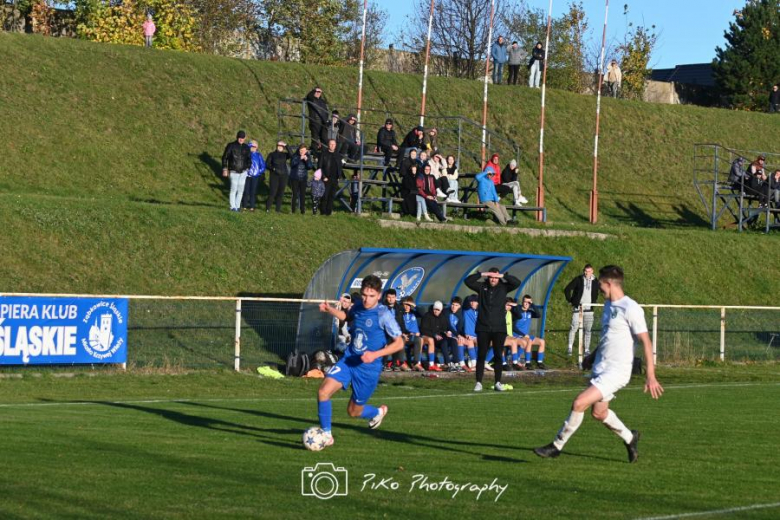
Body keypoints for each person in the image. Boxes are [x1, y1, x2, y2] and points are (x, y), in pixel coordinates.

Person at [534, 265, 664, 463]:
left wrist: (651, 376)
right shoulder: (609, 306)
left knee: (579, 403)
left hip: (616, 372)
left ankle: (556, 446)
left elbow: (646, 341)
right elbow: (607, 337)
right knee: (599, 412)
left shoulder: (630, 308)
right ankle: (631, 438)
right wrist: (592, 355)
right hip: (601, 367)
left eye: (600, 284)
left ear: (609, 283)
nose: (599, 288)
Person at [316, 275, 404, 448]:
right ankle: (326, 435)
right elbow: (347, 316)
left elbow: (400, 343)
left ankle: (378, 412)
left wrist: (375, 354)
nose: (366, 299)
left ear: (379, 295)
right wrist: (329, 310)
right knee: (323, 392)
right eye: (364, 294)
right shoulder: (357, 306)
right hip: (349, 360)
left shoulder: (384, 314)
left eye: (371, 296)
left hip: (368, 369)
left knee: (353, 412)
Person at [465, 268, 521, 392]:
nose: (493, 280)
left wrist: (503, 275)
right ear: (488, 278)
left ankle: (497, 382)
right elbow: (468, 281)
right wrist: (482, 273)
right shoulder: (482, 287)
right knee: (481, 355)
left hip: (499, 328)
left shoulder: (504, 287)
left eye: (495, 278)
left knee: (498, 356)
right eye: (491, 277)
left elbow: (517, 282)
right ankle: (478, 382)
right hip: (483, 327)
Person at [565, 264, 599, 357]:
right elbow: (567, 289)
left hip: (589, 309)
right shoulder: (578, 279)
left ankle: (587, 349)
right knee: (574, 327)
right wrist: (571, 301)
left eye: (588, 271)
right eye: (585, 271)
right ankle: (569, 348)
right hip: (578, 308)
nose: (586, 273)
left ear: (592, 271)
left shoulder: (596, 281)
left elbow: (601, 291)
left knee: (588, 329)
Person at [511, 295, 546, 370]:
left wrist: (532, 304)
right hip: (517, 335)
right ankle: (528, 363)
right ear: (522, 302)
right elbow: (513, 327)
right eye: (525, 302)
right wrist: (523, 335)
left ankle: (539, 362)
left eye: (528, 302)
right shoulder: (518, 311)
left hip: (525, 336)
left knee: (542, 341)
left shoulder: (530, 312)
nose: (526, 304)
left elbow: (538, 315)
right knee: (529, 341)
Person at [221, 130, 251, 212]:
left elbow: (249, 159)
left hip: (243, 172)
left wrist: (248, 168)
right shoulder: (231, 146)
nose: (241, 139)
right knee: (233, 189)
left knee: (241, 190)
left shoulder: (246, 147)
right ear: (237, 137)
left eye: (242, 137)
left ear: (245, 138)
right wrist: (224, 168)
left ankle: (237, 206)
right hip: (233, 171)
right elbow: (224, 157)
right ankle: (232, 206)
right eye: (239, 137)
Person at [382, 290, 411, 372]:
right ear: (386, 298)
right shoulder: (382, 307)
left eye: (393, 297)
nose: (391, 299)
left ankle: (394, 364)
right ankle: (383, 364)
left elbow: (401, 322)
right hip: (385, 332)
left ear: (395, 298)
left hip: (396, 332)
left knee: (400, 340)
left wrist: (404, 333)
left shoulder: (399, 308)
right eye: (389, 297)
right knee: (387, 341)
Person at [418, 300, 450, 371]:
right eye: (435, 309)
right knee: (430, 340)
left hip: (438, 338)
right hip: (427, 336)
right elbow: (423, 330)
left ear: (441, 310)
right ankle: (429, 363)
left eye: (438, 310)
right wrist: (434, 335)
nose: (436, 311)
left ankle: (447, 363)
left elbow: (444, 328)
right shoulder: (427, 316)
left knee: (444, 342)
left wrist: (445, 332)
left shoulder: (442, 317)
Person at [318, 139, 344, 216]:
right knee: (325, 196)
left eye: (334, 144)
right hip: (326, 178)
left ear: (335, 146)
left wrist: (339, 176)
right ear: (328, 145)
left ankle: (328, 212)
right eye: (331, 144)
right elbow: (319, 167)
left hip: (335, 179)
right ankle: (322, 211)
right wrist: (323, 176)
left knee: (331, 196)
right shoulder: (323, 154)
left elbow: (339, 166)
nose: (332, 146)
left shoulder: (338, 155)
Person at [265, 140, 291, 213]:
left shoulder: (285, 155)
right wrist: (273, 168)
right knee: (272, 192)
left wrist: (287, 145)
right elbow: (267, 164)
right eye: (279, 146)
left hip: (283, 175)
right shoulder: (272, 154)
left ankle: (278, 209)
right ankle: (268, 208)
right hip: (274, 175)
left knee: (281, 193)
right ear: (276, 146)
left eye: (282, 146)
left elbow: (292, 155)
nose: (280, 147)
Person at [242, 140, 266, 212]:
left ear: (257, 147)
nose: (253, 148)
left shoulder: (259, 155)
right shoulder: (246, 154)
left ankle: (252, 207)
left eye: (254, 146)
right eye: (251, 146)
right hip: (247, 175)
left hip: (255, 176)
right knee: (246, 191)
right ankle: (244, 206)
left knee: (253, 192)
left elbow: (263, 166)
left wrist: (258, 172)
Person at [401, 297, 424, 369]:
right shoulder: (400, 314)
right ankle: (401, 363)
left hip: (414, 336)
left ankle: (416, 363)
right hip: (404, 336)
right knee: (401, 340)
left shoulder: (414, 313)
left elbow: (423, 314)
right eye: (405, 304)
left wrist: (414, 305)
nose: (407, 306)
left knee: (418, 339)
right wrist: (403, 333)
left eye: (409, 305)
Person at [304, 87, 329, 151]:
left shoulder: (322, 101)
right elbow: (308, 95)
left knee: (325, 139)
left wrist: (326, 120)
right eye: (317, 92)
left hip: (323, 123)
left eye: (320, 92)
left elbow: (326, 111)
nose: (318, 93)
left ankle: (323, 154)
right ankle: (314, 155)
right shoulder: (311, 99)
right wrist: (314, 90)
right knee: (315, 139)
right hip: (314, 122)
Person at [461, 295, 480, 370]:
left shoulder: (480, 312)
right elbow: (465, 302)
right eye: (471, 301)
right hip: (468, 335)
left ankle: (480, 362)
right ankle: (473, 363)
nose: (472, 303)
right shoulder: (466, 310)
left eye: (475, 301)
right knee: (470, 342)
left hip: (478, 334)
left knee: (481, 342)